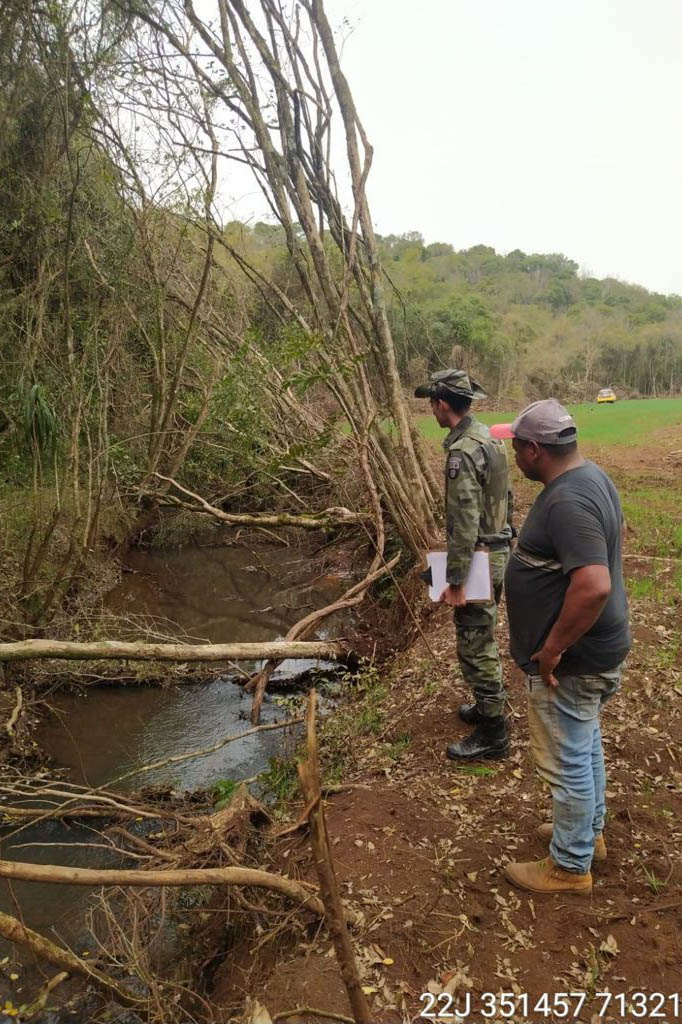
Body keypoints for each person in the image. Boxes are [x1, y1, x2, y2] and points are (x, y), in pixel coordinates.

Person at [498, 399, 631, 895]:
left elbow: (593, 584)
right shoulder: (591, 477)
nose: (514, 456)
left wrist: (552, 649)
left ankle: (570, 866)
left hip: (573, 660)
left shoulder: (569, 501)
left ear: (535, 450)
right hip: (597, 649)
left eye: (517, 448)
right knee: (585, 740)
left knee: (569, 755)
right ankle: (588, 834)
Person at [414, 369, 513, 760]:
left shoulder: (462, 451)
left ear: (442, 405)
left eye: (432, 404)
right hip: (498, 549)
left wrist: (455, 578)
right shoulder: (488, 437)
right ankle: (486, 707)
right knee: (481, 634)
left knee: (475, 644)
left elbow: (464, 522)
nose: (432, 411)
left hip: (480, 558)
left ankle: (494, 732)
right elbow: (504, 496)